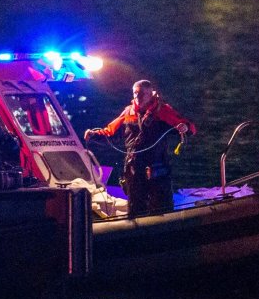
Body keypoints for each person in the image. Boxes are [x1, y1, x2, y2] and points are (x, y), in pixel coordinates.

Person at [84, 80, 195, 216]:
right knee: (136, 208)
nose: (138, 97)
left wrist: (185, 127)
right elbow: (110, 131)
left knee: (163, 208)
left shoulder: (162, 111)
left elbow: (187, 126)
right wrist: (93, 135)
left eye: (142, 94)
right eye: (135, 93)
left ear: (150, 94)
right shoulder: (128, 112)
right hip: (134, 169)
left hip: (157, 169)